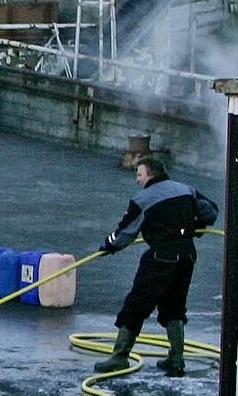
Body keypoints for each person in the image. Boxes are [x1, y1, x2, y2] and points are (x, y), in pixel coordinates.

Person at [93, 154, 217, 375]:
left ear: (151, 174)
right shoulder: (186, 189)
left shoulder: (143, 200)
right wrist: (195, 226)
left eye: (139, 174)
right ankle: (177, 359)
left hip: (161, 257)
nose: (137, 180)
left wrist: (107, 247)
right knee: (174, 305)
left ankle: (120, 356)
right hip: (187, 256)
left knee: (137, 304)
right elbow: (211, 211)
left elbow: (125, 232)